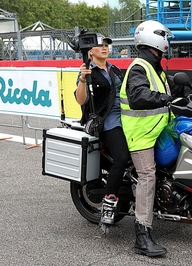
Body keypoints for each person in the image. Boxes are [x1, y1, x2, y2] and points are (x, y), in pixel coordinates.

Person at [120, 20, 184, 257]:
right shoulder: (139, 67)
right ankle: (142, 236)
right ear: (155, 38)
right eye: (164, 37)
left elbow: (169, 92)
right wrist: (165, 100)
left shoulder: (155, 67)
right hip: (141, 134)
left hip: (160, 129)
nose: (167, 42)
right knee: (148, 175)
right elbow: (138, 96)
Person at [74, 34, 129, 226]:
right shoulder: (88, 72)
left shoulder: (115, 69)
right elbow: (81, 100)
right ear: (90, 51)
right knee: (121, 158)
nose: (105, 47)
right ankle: (109, 202)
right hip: (107, 121)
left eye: (106, 45)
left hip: (127, 118)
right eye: (100, 45)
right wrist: (82, 79)